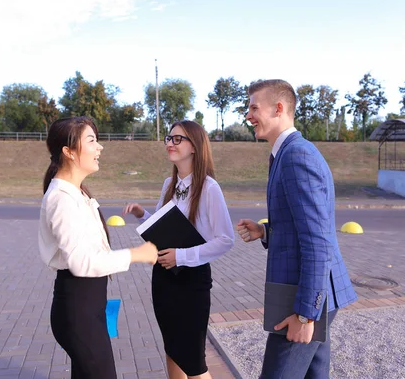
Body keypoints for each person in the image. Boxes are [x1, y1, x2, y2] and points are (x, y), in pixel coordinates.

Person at [237, 80, 358, 379]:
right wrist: (265, 231)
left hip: (305, 298)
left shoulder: (296, 156)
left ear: (278, 108)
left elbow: (318, 242)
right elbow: (300, 225)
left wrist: (305, 314)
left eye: (254, 107)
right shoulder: (284, 154)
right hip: (314, 292)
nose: (248, 115)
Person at [38, 116, 158, 379]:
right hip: (78, 310)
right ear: (68, 152)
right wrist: (136, 254)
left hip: (88, 306)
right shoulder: (62, 199)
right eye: (91, 140)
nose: (99, 147)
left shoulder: (76, 193)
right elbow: (82, 263)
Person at [123, 120, 235, 379]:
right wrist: (143, 215)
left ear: (194, 146)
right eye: (168, 138)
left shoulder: (209, 188)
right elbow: (166, 226)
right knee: (172, 351)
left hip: (191, 281)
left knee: (193, 361)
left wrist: (182, 256)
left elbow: (225, 239)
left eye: (178, 139)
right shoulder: (168, 184)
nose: (170, 144)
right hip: (163, 279)